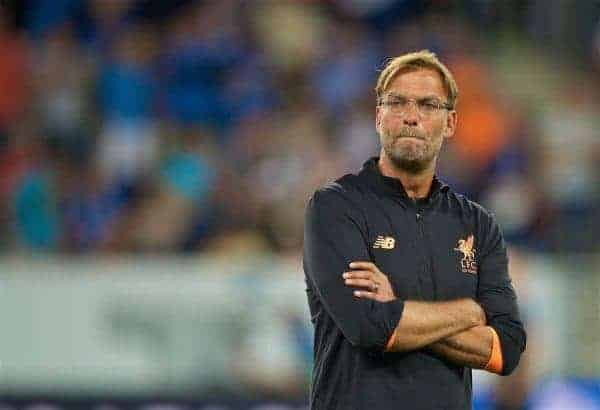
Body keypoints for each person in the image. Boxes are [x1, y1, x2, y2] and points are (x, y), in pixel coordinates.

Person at [302, 50, 526, 410]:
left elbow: (506, 350)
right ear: (378, 117)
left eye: (427, 105)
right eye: (397, 103)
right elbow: (370, 328)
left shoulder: (477, 224)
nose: (411, 117)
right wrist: (469, 312)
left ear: (450, 123)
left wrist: (397, 310)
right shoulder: (335, 207)